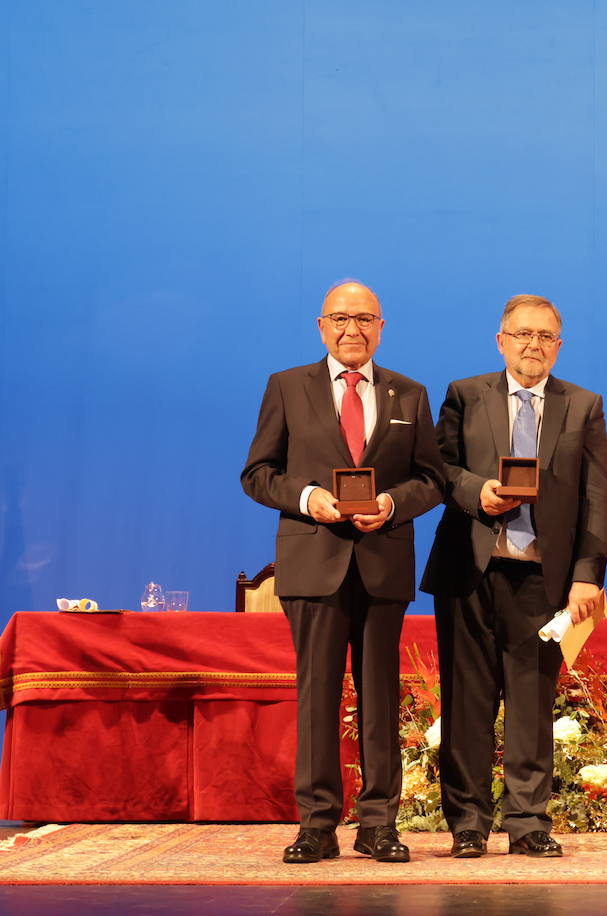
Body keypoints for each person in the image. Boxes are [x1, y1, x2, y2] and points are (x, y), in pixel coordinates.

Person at [242, 280, 444, 864]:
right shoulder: (287, 387)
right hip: (313, 564)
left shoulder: (410, 393)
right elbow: (257, 473)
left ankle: (379, 823)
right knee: (318, 694)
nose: (352, 329)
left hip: (383, 564)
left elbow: (430, 479)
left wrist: (392, 505)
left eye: (364, 319)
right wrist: (307, 498)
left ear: (382, 327)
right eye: (340, 318)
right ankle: (317, 825)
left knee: (381, 695)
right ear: (320, 325)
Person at [420, 294, 607, 859]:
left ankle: (529, 823)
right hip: (471, 571)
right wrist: (475, 492)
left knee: (532, 705)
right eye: (523, 335)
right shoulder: (464, 394)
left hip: (544, 581)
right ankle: (469, 825)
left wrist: (586, 575)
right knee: (466, 704)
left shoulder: (583, 405)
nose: (534, 345)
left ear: (559, 345)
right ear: (500, 340)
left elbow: (598, 498)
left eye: (546, 336)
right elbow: (439, 468)